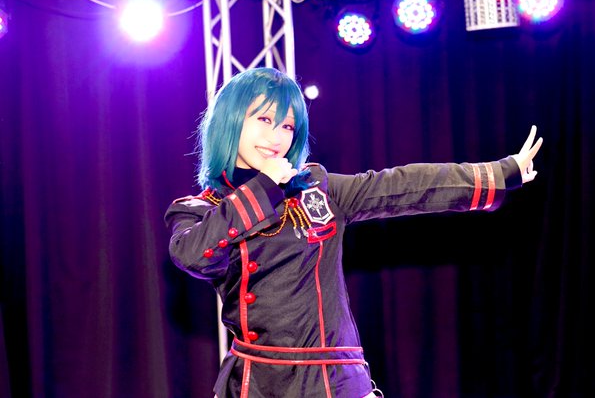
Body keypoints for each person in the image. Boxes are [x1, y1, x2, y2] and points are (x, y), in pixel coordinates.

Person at [166, 67, 543, 398]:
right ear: (231, 120)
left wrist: (498, 173)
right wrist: (265, 186)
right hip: (259, 384)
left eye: (287, 126)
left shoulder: (316, 188)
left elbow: (402, 185)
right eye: (264, 119)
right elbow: (193, 254)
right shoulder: (199, 208)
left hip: (337, 379)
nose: (277, 137)